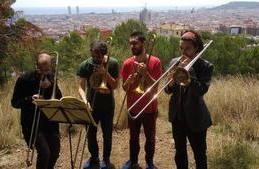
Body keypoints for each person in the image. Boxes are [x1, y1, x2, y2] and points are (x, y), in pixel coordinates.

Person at [164, 30, 213, 169]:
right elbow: (167, 91)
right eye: (181, 48)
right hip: (177, 117)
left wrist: (189, 72)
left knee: (200, 155)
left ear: (196, 48)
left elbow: (200, 91)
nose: (183, 52)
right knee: (180, 154)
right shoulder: (175, 62)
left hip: (196, 118)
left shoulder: (205, 66)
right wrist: (171, 82)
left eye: (187, 48)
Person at [11, 52, 62, 169]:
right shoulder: (24, 79)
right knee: (45, 153)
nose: (43, 74)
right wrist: (29, 99)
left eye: (46, 70)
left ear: (50, 67)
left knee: (55, 152)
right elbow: (15, 102)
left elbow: (59, 98)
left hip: (50, 123)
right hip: (32, 124)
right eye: (40, 71)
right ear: (36, 66)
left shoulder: (51, 78)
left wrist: (49, 87)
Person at [121, 31, 162, 169]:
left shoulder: (155, 62)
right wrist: (128, 81)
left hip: (150, 108)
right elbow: (125, 88)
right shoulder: (127, 63)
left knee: (150, 138)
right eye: (131, 43)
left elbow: (156, 87)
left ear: (143, 43)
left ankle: (149, 162)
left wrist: (146, 74)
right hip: (133, 107)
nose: (132, 46)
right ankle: (133, 161)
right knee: (133, 138)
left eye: (135, 43)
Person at [77, 40, 119, 169]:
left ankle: (106, 159)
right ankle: (94, 158)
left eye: (99, 57)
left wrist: (104, 73)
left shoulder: (112, 63)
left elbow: (116, 85)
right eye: (94, 56)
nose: (96, 59)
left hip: (107, 106)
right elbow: (80, 87)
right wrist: (84, 101)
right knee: (91, 134)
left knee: (107, 134)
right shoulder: (85, 65)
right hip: (91, 105)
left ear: (104, 54)